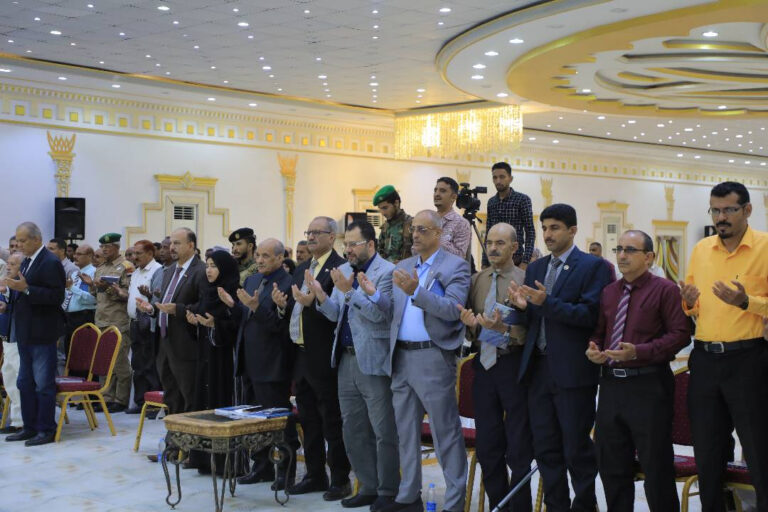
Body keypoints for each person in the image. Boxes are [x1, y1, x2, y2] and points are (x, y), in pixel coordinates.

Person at [508, 204, 611, 512]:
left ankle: (584, 506)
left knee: (576, 448)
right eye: (544, 228)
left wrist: (546, 303)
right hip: (538, 369)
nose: (548, 234)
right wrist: (521, 308)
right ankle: (556, 506)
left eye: (555, 228)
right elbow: (533, 318)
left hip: (572, 371)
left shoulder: (593, 267)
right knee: (546, 448)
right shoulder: (536, 268)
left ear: (572, 230)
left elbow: (590, 315)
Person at [586, 230, 690, 511]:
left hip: (648, 386)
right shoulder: (609, 292)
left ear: (649, 257)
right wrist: (593, 349)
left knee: (655, 468)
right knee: (612, 466)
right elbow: (599, 333)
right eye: (619, 249)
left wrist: (639, 352)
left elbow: (681, 335)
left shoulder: (666, 290)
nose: (622, 255)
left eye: (630, 250)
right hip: (611, 387)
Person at [681, 181, 768, 511]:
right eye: (715, 210)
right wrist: (688, 302)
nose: (721, 217)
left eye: (729, 210)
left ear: (747, 210)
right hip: (704, 360)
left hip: (748, 360)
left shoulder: (765, 247)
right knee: (707, 451)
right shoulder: (702, 249)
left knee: (758, 449)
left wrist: (746, 301)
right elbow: (694, 306)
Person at [385, 210, 470, 512]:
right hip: (401, 356)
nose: (415, 234)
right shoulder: (404, 266)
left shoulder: (456, 266)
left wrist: (416, 292)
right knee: (405, 432)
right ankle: (408, 496)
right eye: (413, 229)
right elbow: (393, 310)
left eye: (422, 229)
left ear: (438, 234)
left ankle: (455, 502)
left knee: (445, 432)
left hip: (432, 356)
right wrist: (369, 295)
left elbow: (452, 309)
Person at [311, 221, 400, 511]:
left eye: (353, 244)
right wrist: (321, 297)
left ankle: (388, 490)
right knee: (353, 428)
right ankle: (367, 486)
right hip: (346, 359)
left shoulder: (387, 272)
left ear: (370, 244)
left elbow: (379, 315)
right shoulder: (345, 271)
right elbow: (337, 314)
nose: (347, 249)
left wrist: (349, 292)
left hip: (373, 359)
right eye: (345, 244)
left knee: (383, 430)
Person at [457, 223, 533, 512]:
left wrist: (500, 331)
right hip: (484, 366)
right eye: (489, 242)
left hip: (514, 366)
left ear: (514, 247)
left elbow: (528, 331)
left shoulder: (525, 280)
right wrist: (472, 326)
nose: (492, 248)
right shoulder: (477, 280)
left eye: (500, 243)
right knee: (488, 446)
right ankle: (497, 505)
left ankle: (520, 508)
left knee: (518, 447)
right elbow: (473, 327)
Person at [281, 216, 351, 500]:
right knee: (308, 418)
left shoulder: (340, 268)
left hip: (323, 354)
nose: (310, 237)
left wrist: (316, 301)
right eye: (308, 232)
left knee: (330, 419)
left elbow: (339, 314)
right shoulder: (302, 269)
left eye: (316, 233)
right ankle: (314, 475)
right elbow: (295, 307)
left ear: (332, 237)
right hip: (300, 354)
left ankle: (340, 479)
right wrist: (282, 306)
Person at [222, 238, 298, 489]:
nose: (260, 260)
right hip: (249, 360)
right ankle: (261, 466)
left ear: (280, 257)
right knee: (255, 419)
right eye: (258, 256)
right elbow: (245, 319)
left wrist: (256, 307)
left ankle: (285, 471)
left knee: (278, 421)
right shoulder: (252, 280)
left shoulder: (288, 283)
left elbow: (283, 328)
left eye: (266, 256)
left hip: (273, 362)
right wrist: (233, 306)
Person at [3, 222, 66, 446]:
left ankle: (46, 429)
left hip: (42, 332)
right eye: (17, 240)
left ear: (37, 239)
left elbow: (57, 296)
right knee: (24, 383)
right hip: (25, 332)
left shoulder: (50, 262)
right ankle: (29, 427)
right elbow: (23, 293)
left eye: (22, 240)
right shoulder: (27, 261)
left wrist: (27, 289)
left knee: (43, 384)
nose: (18, 244)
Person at [137, 228, 206, 415]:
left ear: (191, 245)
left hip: (186, 344)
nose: (171, 248)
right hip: (164, 342)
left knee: (189, 395)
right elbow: (165, 303)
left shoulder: (201, 271)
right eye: (171, 243)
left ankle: (190, 431)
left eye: (177, 243)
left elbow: (204, 306)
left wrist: (179, 310)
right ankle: (174, 431)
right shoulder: (169, 271)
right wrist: (152, 309)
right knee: (171, 395)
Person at [186, 250, 239, 474]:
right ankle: (203, 459)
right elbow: (202, 319)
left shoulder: (233, 293)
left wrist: (216, 325)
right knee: (204, 402)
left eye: (214, 266)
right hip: (206, 357)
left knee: (220, 403)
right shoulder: (207, 293)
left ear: (224, 269)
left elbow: (237, 326)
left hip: (224, 361)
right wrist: (195, 322)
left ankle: (223, 462)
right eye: (207, 265)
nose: (209, 270)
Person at [84, 233, 132, 413]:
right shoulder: (101, 267)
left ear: (117, 247)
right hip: (101, 319)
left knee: (119, 362)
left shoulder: (126, 267)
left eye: (107, 246)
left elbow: (127, 295)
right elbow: (97, 294)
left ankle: (121, 399)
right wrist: (92, 285)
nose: (104, 250)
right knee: (103, 361)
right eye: (102, 246)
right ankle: (106, 397)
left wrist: (109, 289)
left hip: (118, 320)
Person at [124, 240, 162, 414]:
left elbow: (158, 299)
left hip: (148, 323)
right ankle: (140, 403)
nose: (134, 257)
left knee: (149, 365)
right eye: (133, 253)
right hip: (134, 323)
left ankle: (153, 405)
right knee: (137, 364)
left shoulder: (157, 270)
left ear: (150, 254)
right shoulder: (136, 272)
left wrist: (150, 295)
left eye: (138, 253)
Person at [485, 162, 535, 268]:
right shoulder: (491, 202)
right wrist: (484, 262)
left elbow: (530, 231)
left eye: (502, 177)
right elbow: (488, 232)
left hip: (516, 260)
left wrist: (525, 261)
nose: (498, 181)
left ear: (510, 179)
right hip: (494, 260)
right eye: (495, 177)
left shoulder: (522, 200)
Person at [0, 253, 25, 434]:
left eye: (13, 264)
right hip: (8, 336)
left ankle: (23, 421)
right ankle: (17, 420)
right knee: (9, 378)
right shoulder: (8, 284)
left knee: (19, 379)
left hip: (21, 338)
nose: (8, 267)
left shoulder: (24, 285)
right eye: (8, 263)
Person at [63, 244, 97, 356]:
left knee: (82, 355)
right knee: (70, 354)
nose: (75, 256)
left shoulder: (94, 272)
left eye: (79, 254)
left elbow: (91, 299)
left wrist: (71, 287)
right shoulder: (75, 273)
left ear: (90, 256)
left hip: (83, 317)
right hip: (70, 318)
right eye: (75, 254)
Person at [433, 177, 471, 259]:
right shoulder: (427, 220)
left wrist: (435, 239)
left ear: (453, 197)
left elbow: (459, 256)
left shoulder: (462, 223)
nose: (437, 194)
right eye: (435, 190)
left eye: (442, 191)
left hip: (447, 267)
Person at [374, 185, 413, 263]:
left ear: (396, 203)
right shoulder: (385, 227)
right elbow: (380, 253)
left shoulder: (412, 225)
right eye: (380, 209)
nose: (382, 213)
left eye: (385, 208)